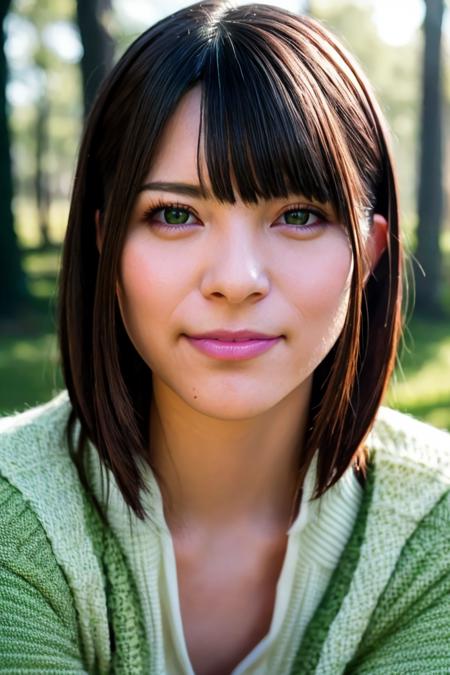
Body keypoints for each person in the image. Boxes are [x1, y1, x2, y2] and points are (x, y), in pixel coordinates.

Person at [1, 1, 449, 673]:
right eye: (175, 213)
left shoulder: (434, 529)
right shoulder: (14, 517)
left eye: (298, 214)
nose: (236, 280)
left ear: (371, 250)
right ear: (106, 244)